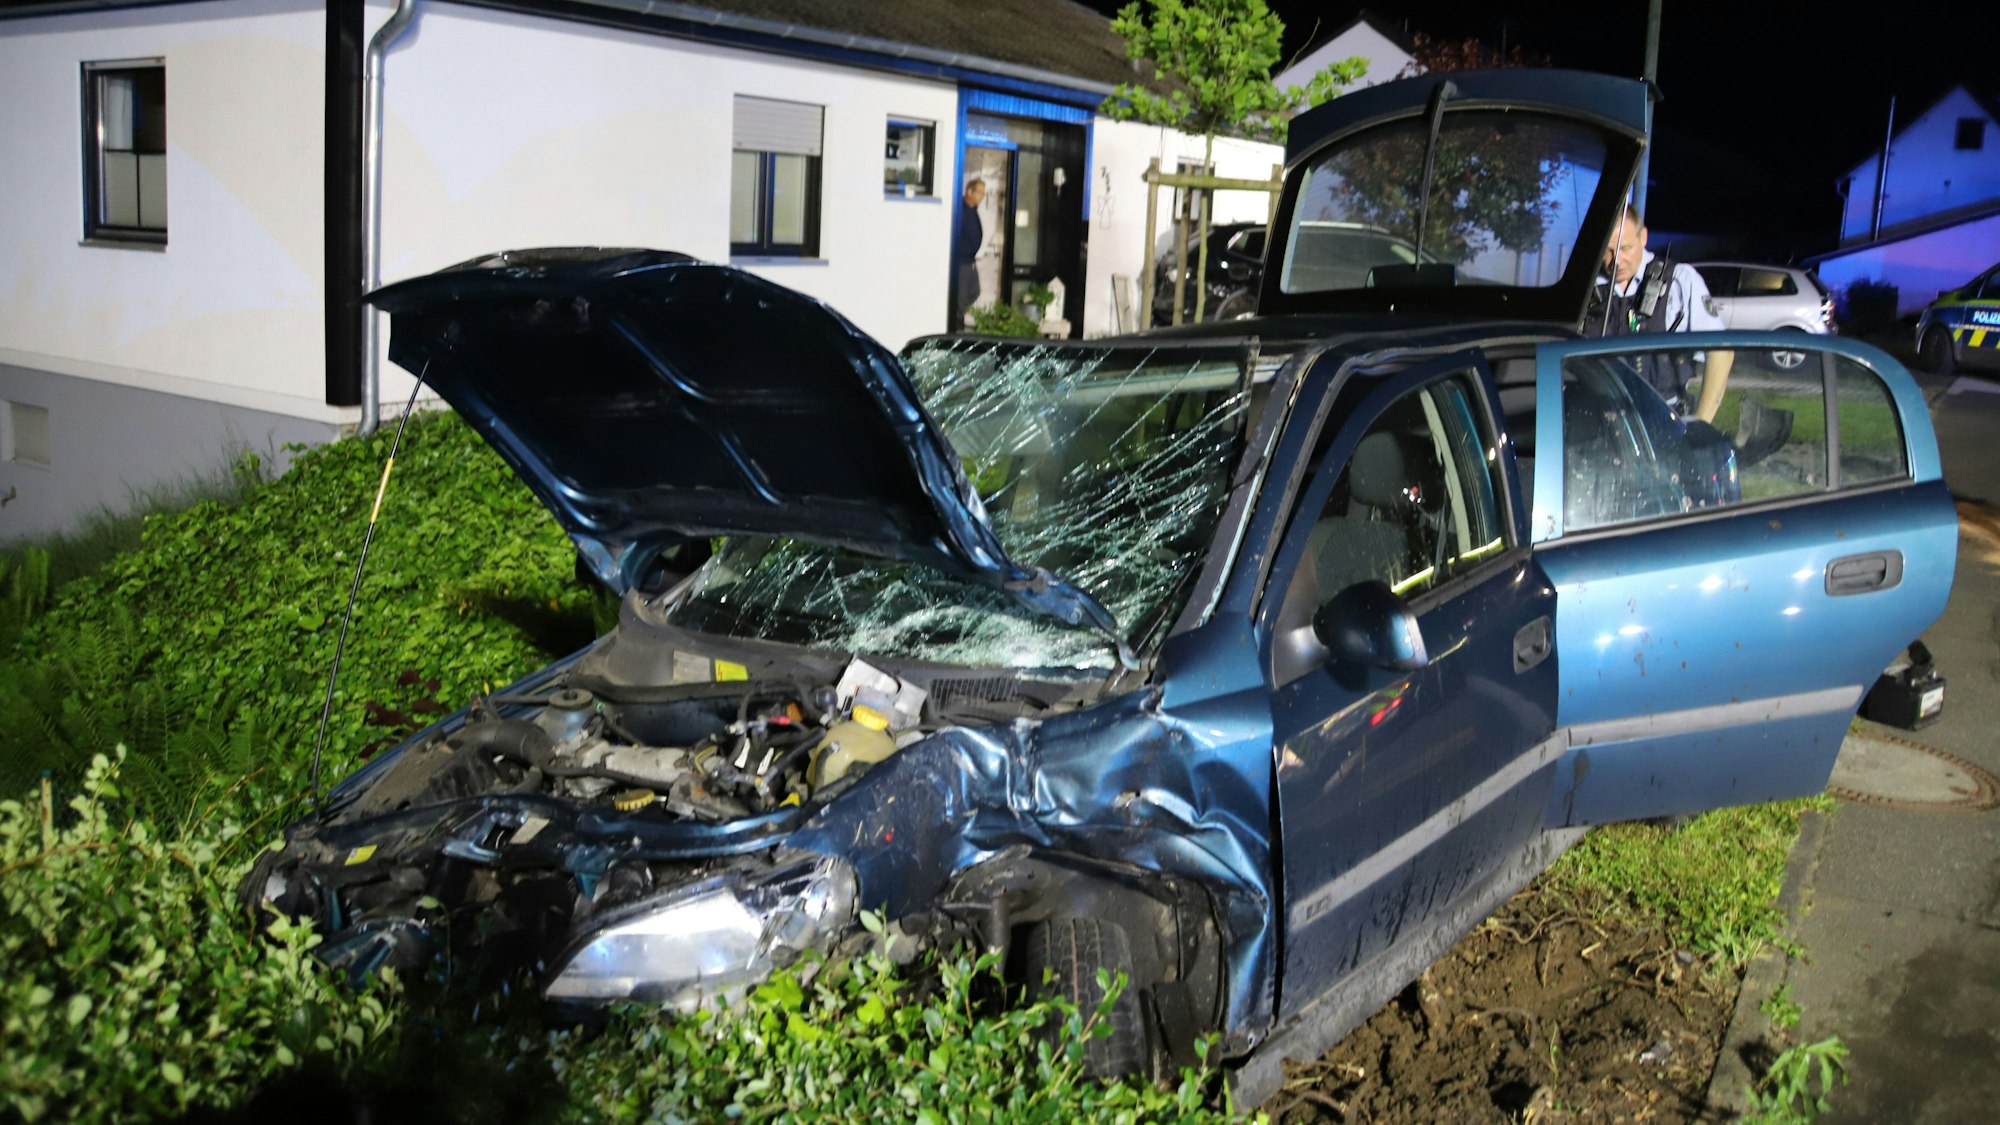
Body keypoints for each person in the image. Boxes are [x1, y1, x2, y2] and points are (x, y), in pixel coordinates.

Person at [1589, 203, 1734, 422]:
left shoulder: (1680, 281)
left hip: (1664, 419)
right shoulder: (1588, 290)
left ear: (1643, 237)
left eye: (1625, 249)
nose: (1617, 261)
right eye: (1608, 251)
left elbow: (1721, 352)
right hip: (1600, 418)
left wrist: (1701, 424)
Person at [953, 179, 986, 328]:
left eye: (983, 193)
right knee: (961, 297)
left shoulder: (972, 210)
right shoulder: (960, 209)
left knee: (975, 291)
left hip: (970, 260)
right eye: (979, 192)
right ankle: (956, 323)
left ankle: (955, 312)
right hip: (962, 261)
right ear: (969, 192)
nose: (982, 196)